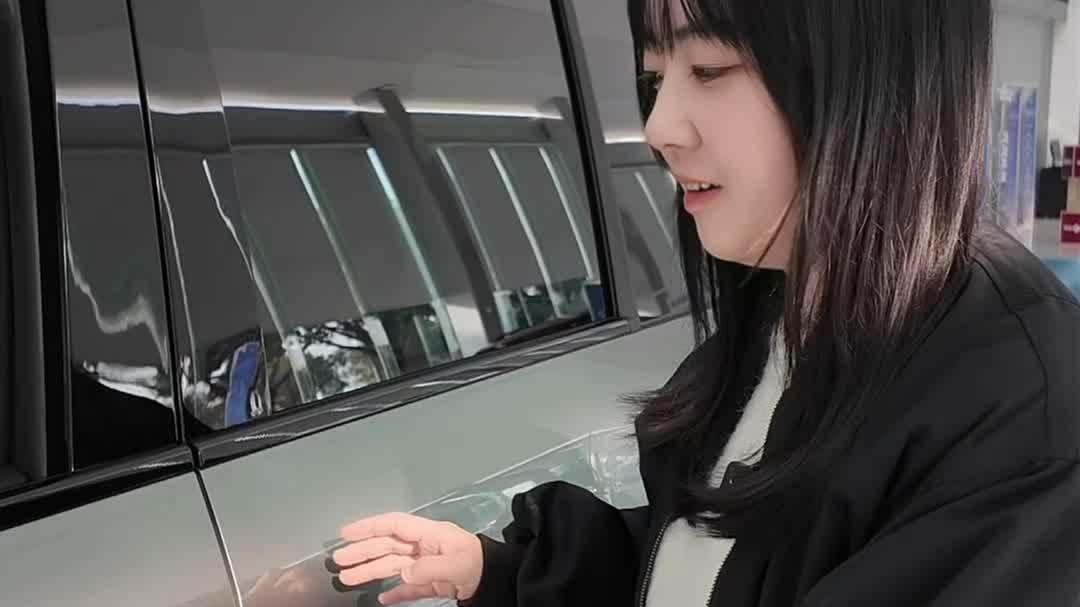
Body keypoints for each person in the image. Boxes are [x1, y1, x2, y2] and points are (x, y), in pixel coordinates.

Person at [329, 0, 1080, 605]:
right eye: (655, 78)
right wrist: (497, 573)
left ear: (873, 80)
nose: (658, 128)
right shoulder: (785, 307)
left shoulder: (1017, 406)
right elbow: (714, 566)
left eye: (710, 68)